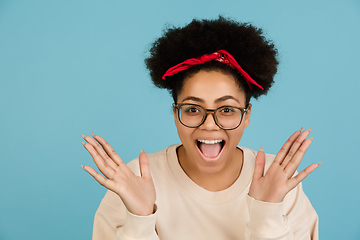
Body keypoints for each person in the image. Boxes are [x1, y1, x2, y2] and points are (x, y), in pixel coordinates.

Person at [81, 16, 320, 240]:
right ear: (176, 114)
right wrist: (140, 219)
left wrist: (267, 215)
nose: (209, 124)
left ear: (246, 116)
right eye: (193, 109)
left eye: (226, 110)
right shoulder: (133, 180)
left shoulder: (279, 180)